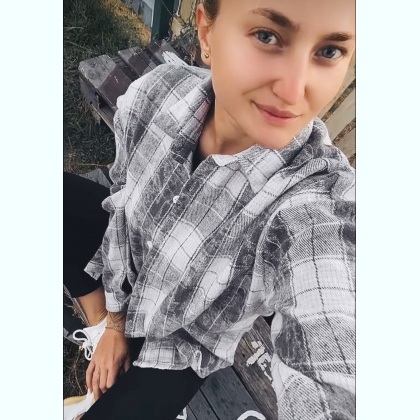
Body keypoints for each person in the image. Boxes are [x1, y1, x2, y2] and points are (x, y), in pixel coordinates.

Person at [63, 0, 356, 418]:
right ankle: (102, 330)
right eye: (267, 36)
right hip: (131, 278)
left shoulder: (315, 202)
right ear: (206, 33)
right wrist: (113, 322)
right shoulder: (156, 94)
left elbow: (339, 339)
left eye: (329, 51)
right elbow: (121, 208)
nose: (294, 91)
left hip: (180, 345)